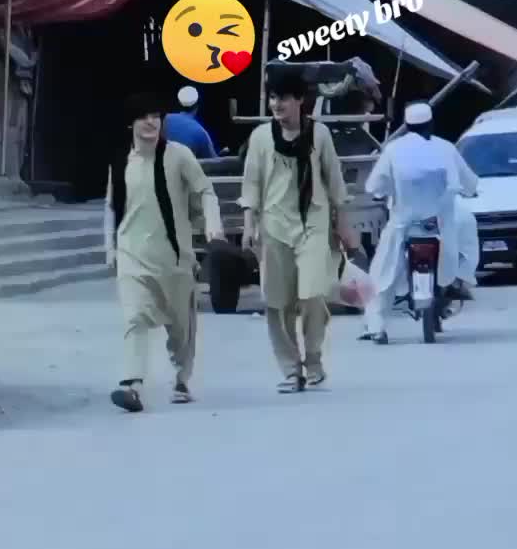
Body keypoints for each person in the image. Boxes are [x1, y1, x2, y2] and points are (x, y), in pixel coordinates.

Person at [239, 64, 360, 390]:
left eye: (283, 98)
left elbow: (334, 182)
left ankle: (314, 359)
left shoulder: (319, 135)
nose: (276, 105)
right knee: (277, 302)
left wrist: (344, 226)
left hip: (313, 224)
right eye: (273, 98)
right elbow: (251, 183)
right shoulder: (261, 137)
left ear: (299, 101)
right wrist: (248, 225)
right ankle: (292, 370)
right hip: (274, 226)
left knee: (312, 295)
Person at [105, 92, 224, 413]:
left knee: (180, 329)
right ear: (131, 123)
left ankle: (182, 378)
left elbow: (205, 191)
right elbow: (111, 207)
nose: (151, 122)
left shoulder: (179, 156)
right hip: (132, 255)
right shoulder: (120, 161)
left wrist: (213, 225)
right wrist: (110, 248)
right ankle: (132, 385)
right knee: (135, 318)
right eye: (144, 116)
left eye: (156, 116)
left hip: (174, 258)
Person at [359, 102, 479, 344]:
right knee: (467, 231)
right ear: (430, 124)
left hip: (403, 224)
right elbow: (469, 183)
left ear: (406, 126)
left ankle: (376, 327)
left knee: (383, 273)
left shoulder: (393, 150)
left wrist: (383, 192)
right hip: (441, 224)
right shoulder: (445, 148)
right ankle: (461, 280)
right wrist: (469, 190)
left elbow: (375, 186)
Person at [163, 86, 218, 159]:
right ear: (197, 104)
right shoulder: (201, 132)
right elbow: (213, 162)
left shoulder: (164, 119)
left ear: (179, 102)